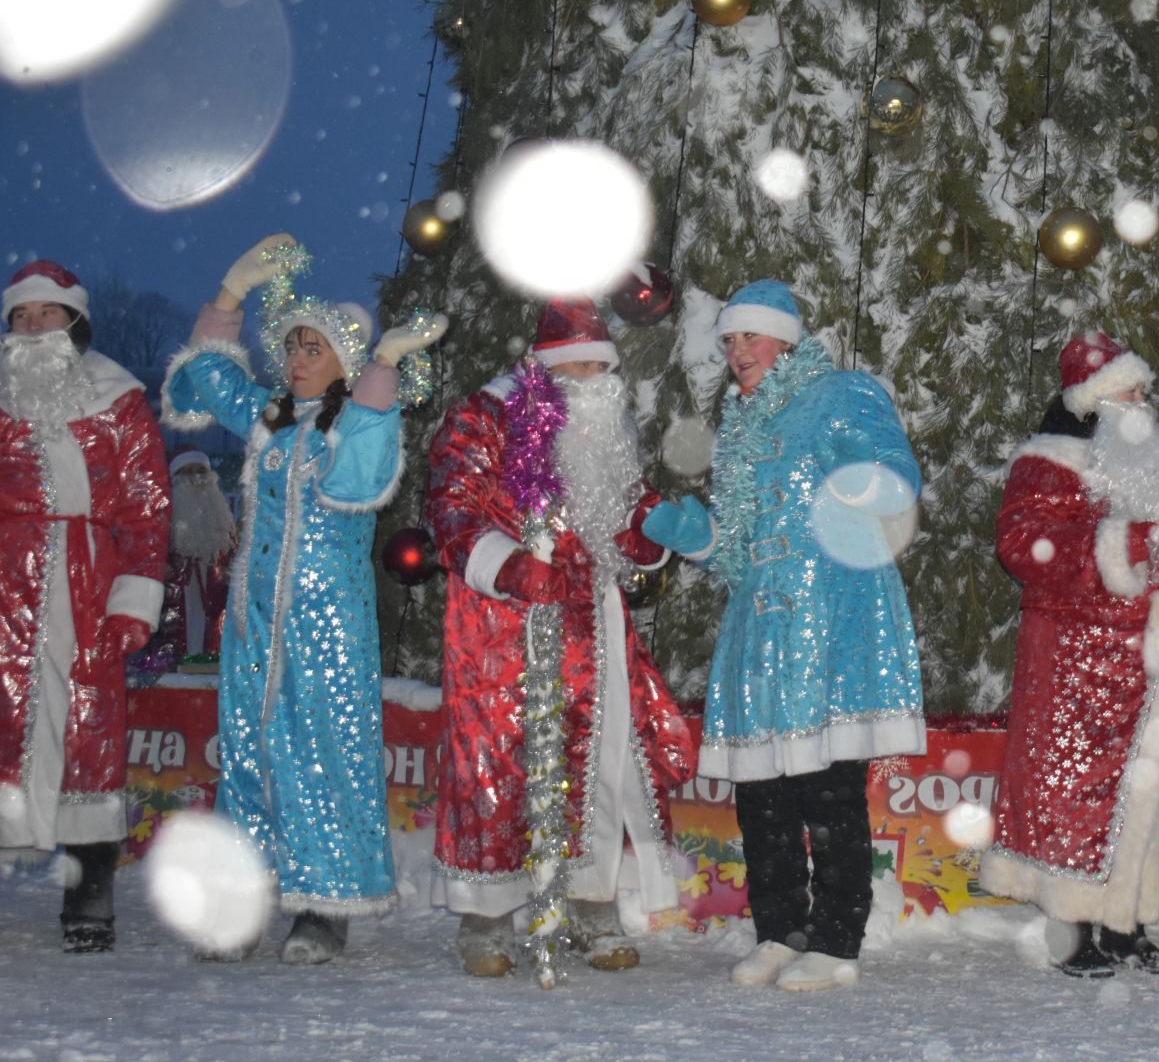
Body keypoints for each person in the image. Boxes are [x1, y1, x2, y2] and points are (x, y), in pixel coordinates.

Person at [162, 233, 446, 963]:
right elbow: (200, 390)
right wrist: (230, 292)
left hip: (328, 622)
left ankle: (325, 905)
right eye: (291, 346)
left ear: (345, 364)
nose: (294, 360)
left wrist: (384, 365)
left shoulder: (358, 427)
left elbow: (357, 484)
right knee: (249, 754)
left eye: (312, 349)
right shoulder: (270, 417)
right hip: (255, 623)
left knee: (322, 754)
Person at [640, 279, 924, 993]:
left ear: (788, 342)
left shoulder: (840, 393)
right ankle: (779, 930)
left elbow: (893, 478)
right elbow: (737, 550)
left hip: (831, 613)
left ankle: (835, 941)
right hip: (761, 630)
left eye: (750, 337)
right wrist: (691, 534)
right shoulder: (739, 424)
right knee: (762, 793)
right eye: (730, 339)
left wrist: (864, 480)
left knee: (828, 789)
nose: (738, 351)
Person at [426, 297, 694, 977]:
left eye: (599, 369)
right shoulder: (484, 417)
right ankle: (486, 916)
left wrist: (651, 535)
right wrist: (511, 565)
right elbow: (453, 504)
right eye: (574, 366)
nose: (588, 381)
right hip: (498, 629)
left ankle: (589, 900)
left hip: (590, 625)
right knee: (498, 761)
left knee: (594, 758)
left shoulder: (606, 432)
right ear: (542, 367)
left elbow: (623, 513)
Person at [983, 332, 1159, 978]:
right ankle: (1074, 926)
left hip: (1154, 658)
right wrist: (1116, 543)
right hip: (1077, 661)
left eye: (1142, 390)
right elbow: (1023, 544)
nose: (1142, 403)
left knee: (1147, 791)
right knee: (1078, 791)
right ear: (1094, 400)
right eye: (1129, 392)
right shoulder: (1049, 462)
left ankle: (1126, 921)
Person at [0, 261, 170, 953]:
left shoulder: (119, 398)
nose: (35, 328)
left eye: (47, 315)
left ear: (74, 324)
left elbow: (148, 506)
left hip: (88, 585)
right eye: (21, 317)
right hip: (5, 581)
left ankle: (88, 899)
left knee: (88, 736)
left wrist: (135, 595)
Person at [129, 449, 236, 680]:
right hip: (170, 619)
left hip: (216, 619)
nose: (195, 479)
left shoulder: (225, 531)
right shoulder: (158, 528)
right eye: (187, 472)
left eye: (200, 471)